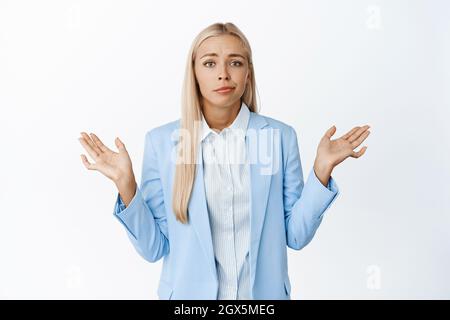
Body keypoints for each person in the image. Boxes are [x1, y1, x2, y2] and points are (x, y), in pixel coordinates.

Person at [78, 22, 370, 300]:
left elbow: (295, 235)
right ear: (193, 72)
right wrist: (126, 186)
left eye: (235, 62)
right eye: (209, 63)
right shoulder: (163, 143)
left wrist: (320, 173)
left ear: (248, 74)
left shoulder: (279, 137)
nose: (223, 74)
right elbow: (154, 247)